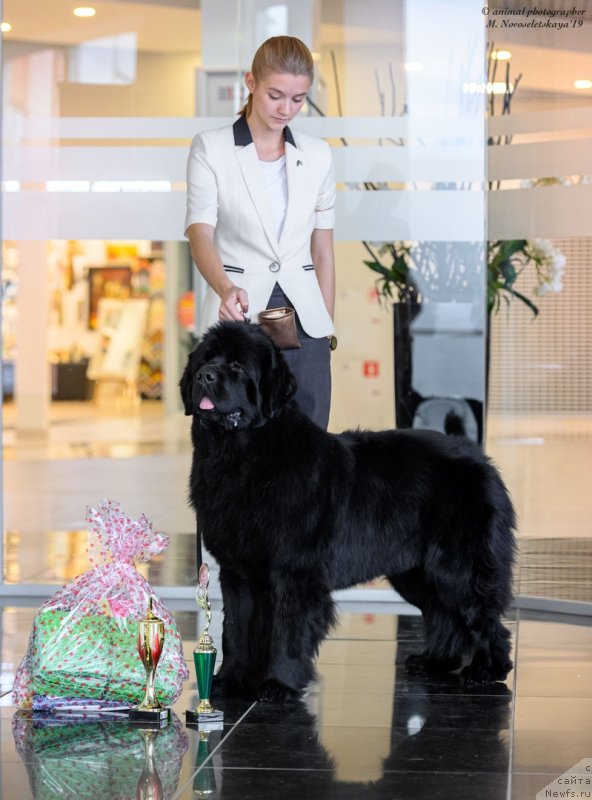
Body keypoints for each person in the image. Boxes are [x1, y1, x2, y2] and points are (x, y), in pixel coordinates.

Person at [184, 35, 336, 430]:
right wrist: (223, 287)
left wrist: (326, 326)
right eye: (276, 95)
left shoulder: (318, 155)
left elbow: (323, 250)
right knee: (231, 440)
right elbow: (199, 231)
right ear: (251, 83)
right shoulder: (211, 148)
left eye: (298, 99)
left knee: (310, 443)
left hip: (304, 316)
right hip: (237, 311)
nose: (287, 109)